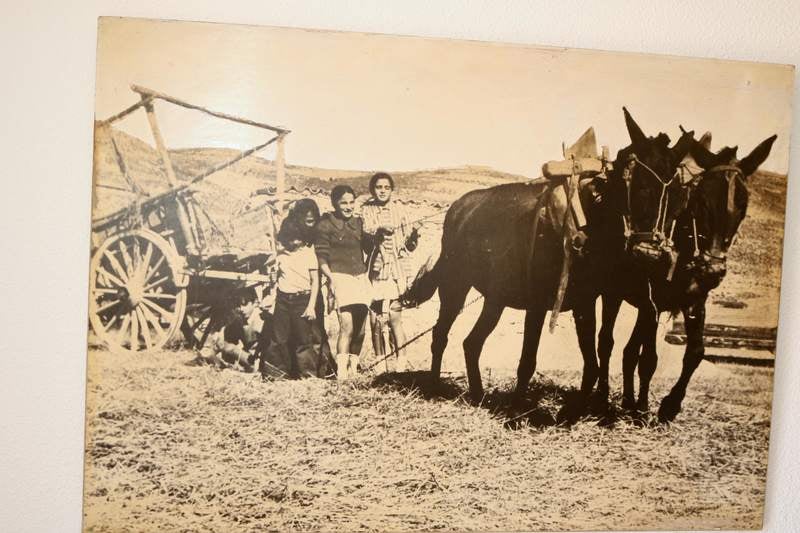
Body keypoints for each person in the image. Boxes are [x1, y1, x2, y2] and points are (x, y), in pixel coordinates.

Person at [361, 172, 419, 371]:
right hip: (377, 269)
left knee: (395, 315)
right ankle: (380, 361)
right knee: (375, 314)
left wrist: (414, 237)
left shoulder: (400, 211)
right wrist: (378, 230)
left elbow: (409, 246)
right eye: (379, 187)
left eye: (386, 187)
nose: (383, 191)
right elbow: (366, 238)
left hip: (396, 270)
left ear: (392, 190)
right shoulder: (366, 210)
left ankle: (401, 362)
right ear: (372, 189)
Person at [261, 218, 330, 380]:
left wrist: (311, 306)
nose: (294, 242)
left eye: (297, 238)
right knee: (279, 339)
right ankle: (277, 376)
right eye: (290, 238)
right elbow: (273, 275)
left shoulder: (308, 254)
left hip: (303, 300)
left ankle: (308, 376)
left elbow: (315, 282)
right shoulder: (281, 255)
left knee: (303, 340)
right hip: (283, 300)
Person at [315, 185, 372, 380]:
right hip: (339, 277)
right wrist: (330, 279)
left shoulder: (359, 222)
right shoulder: (326, 225)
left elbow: (368, 247)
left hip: (360, 277)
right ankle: (341, 374)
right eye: (343, 203)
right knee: (346, 325)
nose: (348, 207)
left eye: (351, 202)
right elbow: (321, 257)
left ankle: (354, 371)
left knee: (361, 328)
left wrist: (378, 235)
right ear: (335, 204)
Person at [285, 198, 335, 374]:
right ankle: (305, 371)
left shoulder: (318, 231)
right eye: (306, 218)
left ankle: (325, 370)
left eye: (312, 217)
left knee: (317, 332)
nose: (310, 220)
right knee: (300, 334)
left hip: (314, 286)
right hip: (297, 284)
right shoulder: (291, 230)